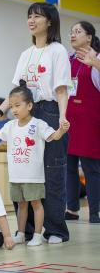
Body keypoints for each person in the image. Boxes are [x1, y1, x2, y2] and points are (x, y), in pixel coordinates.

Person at [0, 3, 71, 244]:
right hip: (26, 114)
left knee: (52, 173)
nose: (32, 20)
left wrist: (62, 116)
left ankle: (55, 230)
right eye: (29, 16)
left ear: (50, 21)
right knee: (24, 172)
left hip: (49, 112)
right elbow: (16, 94)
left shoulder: (58, 51)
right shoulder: (25, 54)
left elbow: (61, 89)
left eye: (38, 16)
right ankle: (27, 231)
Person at [0, 81, 69, 246]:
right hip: (16, 176)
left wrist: (61, 130)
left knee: (36, 204)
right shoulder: (11, 125)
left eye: (17, 105)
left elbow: (53, 137)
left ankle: (38, 235)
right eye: (11, 106)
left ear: (29, 105)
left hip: (33, 176)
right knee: (21, 205)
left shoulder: (38, 125)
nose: (13, 110)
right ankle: (20, 233)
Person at [65, 21, 100, 223]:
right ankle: (71, 209)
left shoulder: (97, 58)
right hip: (69, 121)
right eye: (72, 31)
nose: (73, 34)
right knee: (68, 167)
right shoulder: (67, 60)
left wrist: (94, 62)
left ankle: (95, 210)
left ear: (89, 37)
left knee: (91, 168)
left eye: (78, 31)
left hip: (90, 122)